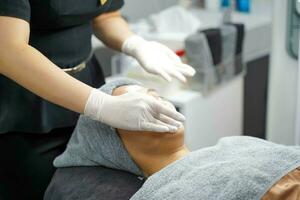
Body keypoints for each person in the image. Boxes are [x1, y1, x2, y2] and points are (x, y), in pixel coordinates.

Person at [0, 1, 196, 199]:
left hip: (88, 82)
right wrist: (100, 104)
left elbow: (106, 16)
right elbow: (7, 50)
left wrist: (134, 43)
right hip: (24, 107)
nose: (159, 104)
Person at [50, 79, 300, 200]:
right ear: (112, 146)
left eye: (155, 95)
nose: (160, 103)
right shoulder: (162, 194)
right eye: (141, 106)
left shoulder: (234, 143)